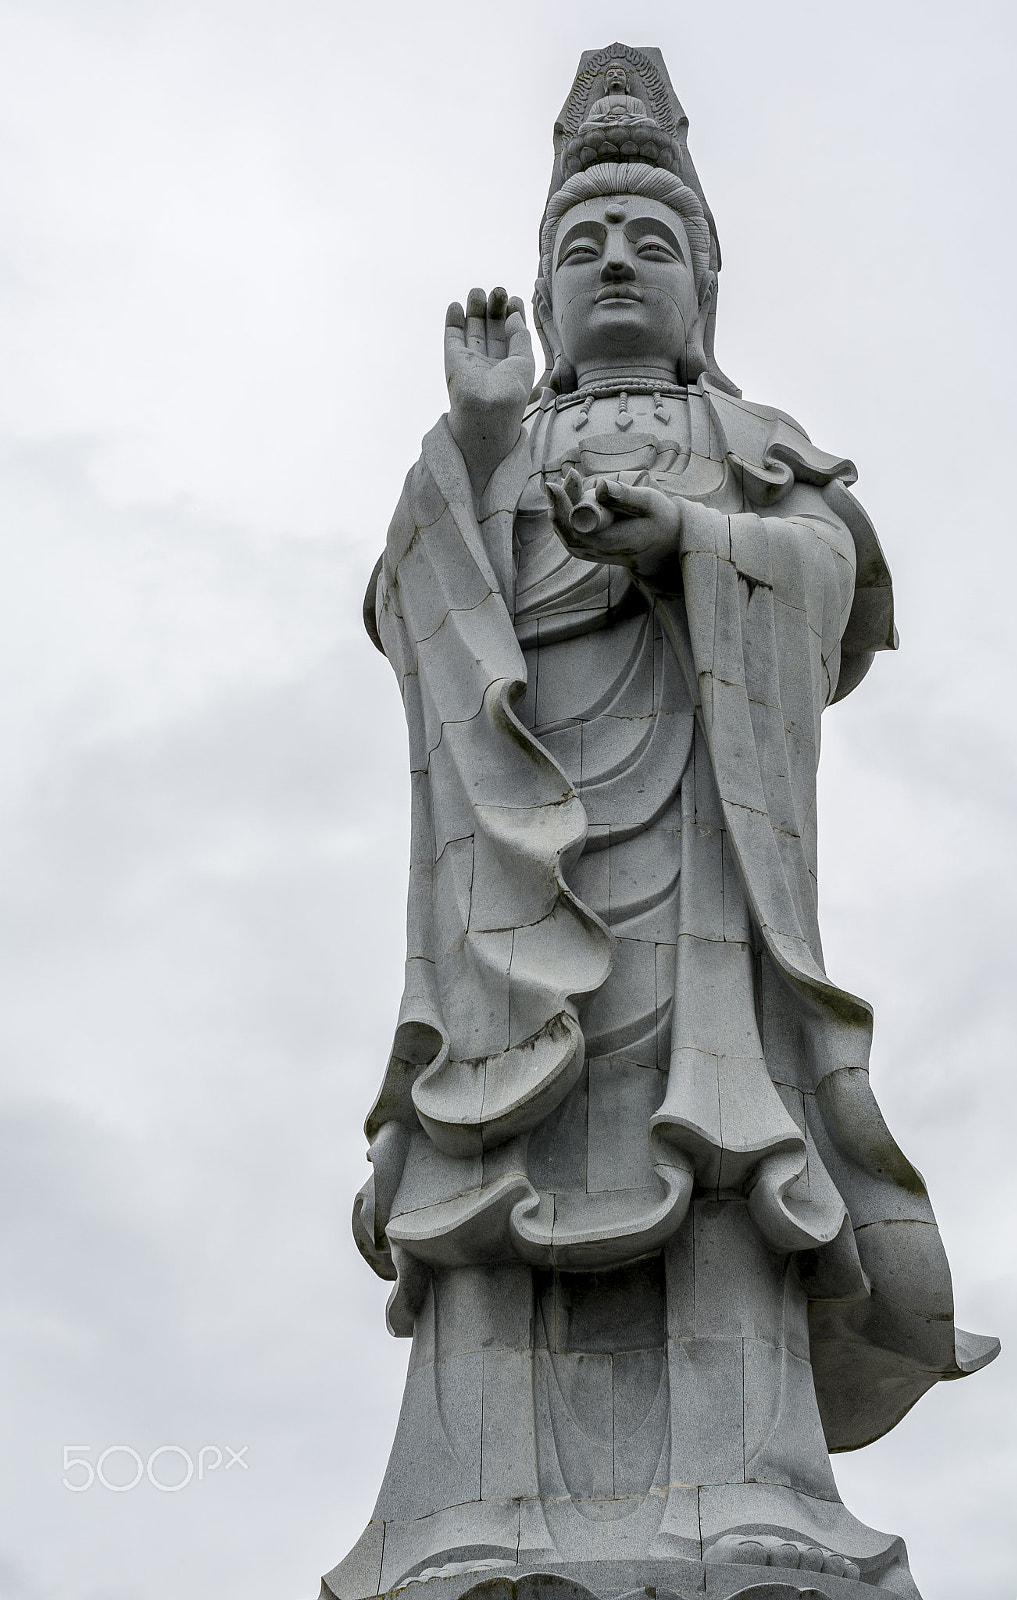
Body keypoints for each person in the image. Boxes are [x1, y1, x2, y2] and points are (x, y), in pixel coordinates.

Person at [328, 47, 997, 1600]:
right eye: (581, 246)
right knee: (497, 1146)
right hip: (508, 871)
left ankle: (750, 1485)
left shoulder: (748, 439)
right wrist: (484, 446)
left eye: (649, 244)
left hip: (700, 852)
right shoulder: (483, 450)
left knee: (716, 1139)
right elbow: (404, 614)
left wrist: (689, 541)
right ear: (542, 301)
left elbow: (827, 594)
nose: (613, 265)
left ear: (704, 283)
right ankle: (466, 1510)